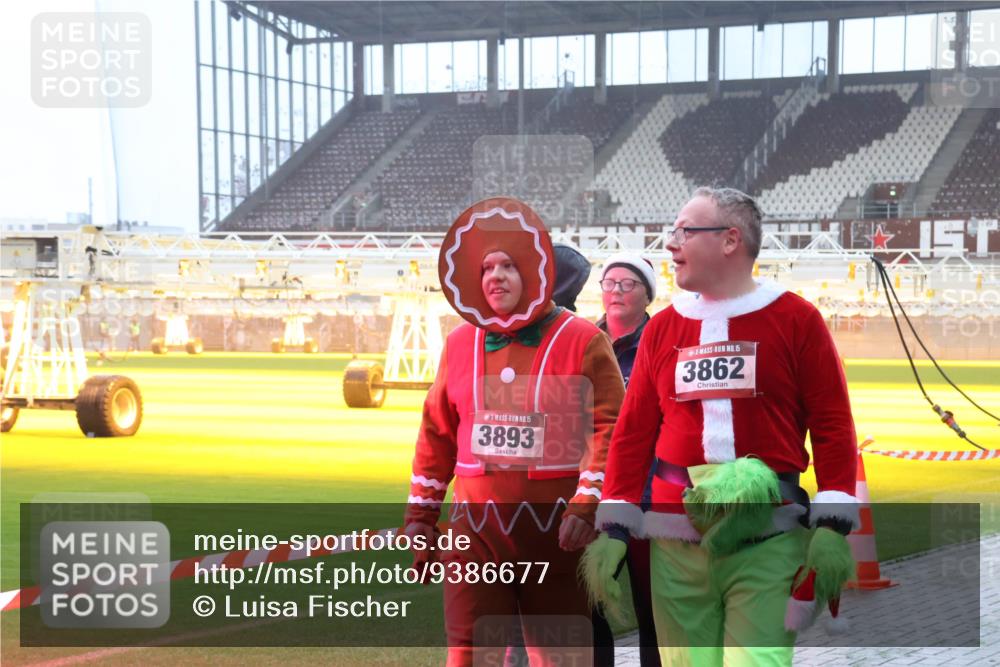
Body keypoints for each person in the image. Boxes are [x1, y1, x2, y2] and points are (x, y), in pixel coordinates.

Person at [583, 187, 859, 667]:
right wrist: (614, 526)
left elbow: (832, 422)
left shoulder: (798, 319)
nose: (671, 244)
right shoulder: (663, 328)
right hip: (673, 544)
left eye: (684, 232)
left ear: (731, 240)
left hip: (769, 538)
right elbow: (633, 434)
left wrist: (834, 522)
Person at [403, 198, 625, 667]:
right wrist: (421, 517)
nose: (495, 276)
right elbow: (437, 433)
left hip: (558, 534)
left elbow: (609, 429)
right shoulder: (459, 343)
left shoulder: (584, 339)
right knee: (467, 650)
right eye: (486, 268)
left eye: (507, 265)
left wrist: (587, 505)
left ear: (533, 271)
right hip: (474, 533)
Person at [594, 252, 661, 667]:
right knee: (587, 603)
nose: (616, 291)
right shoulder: (582, 340)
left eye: (628, 284)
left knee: (654, 610)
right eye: (609, 283)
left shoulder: (664, 340)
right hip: (593, 494)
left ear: (647, 294)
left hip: (650, 495)